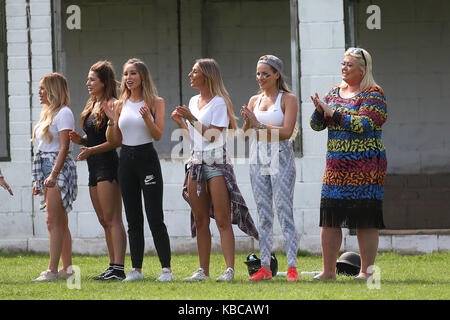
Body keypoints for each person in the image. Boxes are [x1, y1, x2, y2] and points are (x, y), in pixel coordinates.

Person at [171, 58, 259, 282]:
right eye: (191, 71)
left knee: (222, 218)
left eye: (195, 72)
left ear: (206, 76)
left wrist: (191, 118)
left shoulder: (219, 102)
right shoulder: (192, 101)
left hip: (217, 165)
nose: (190, 75)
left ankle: (229, 270)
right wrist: (183, 124)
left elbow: (213, 136)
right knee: (200, 219)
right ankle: (203, 271)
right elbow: (195, 139)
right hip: (196, 163)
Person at [309, 47, 387, 280]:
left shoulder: (374, 94)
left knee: (365, 219)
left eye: (349, 65)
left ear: (363, 69)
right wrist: (320, 111)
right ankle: (328, 272)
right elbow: (316, 126)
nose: (344, 68)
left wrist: (334, 113)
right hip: (335, 167)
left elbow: (364, 124)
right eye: (343, 64)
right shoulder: (334, 92)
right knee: (330, 218)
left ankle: (366, 272)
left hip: (366, 168)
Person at [104, 58, 173, 282]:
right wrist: (112, 120)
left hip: (147, 159)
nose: (129, 78)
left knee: (154, 217)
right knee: (133, 218)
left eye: (133, 73)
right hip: (126, 160)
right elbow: (115, 140)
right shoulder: (120, 104)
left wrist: (147, 118)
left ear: (142, 76)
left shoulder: (156, 102)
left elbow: (158, 135)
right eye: (125, 74)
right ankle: (136, 270)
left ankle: (166, 270)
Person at [240, 55, 299, 281]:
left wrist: (259, 124)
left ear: (276, 74)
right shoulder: (255, 100)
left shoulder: (288, 98)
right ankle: (264, 267)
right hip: (257, 157)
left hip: (280, 156)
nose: (260, 78)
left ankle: (292, 267)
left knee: (284, 211)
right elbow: (245, 136)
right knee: (263, 215)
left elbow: (287, 131)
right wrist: (248, 121)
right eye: (258, 73)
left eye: (266, 73)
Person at [69, 61, 127, 280]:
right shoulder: (92, 104)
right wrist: (81, 140)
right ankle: (112, 266)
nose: (88, 83)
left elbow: (116, 141)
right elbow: (95, 136)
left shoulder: (113, 104)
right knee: (104, 219)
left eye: (92, 79)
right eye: (88, 79)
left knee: (113, 219)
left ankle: (119, 269)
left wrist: (91, 150)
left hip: (108, 165)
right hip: (94, 166)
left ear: (104, 82)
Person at [31, 73, 77, 282]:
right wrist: (38, 179)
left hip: (57, 168)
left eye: (43, 88)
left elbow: (64, 147)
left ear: (53, 90)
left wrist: (53, 175)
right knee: (60, 220)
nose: (39, 92)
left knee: (53, 221)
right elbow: (43, 148)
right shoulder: (48, 113)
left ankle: (52, 270)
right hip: (47, 167)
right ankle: (67, 268)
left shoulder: (64, 113)